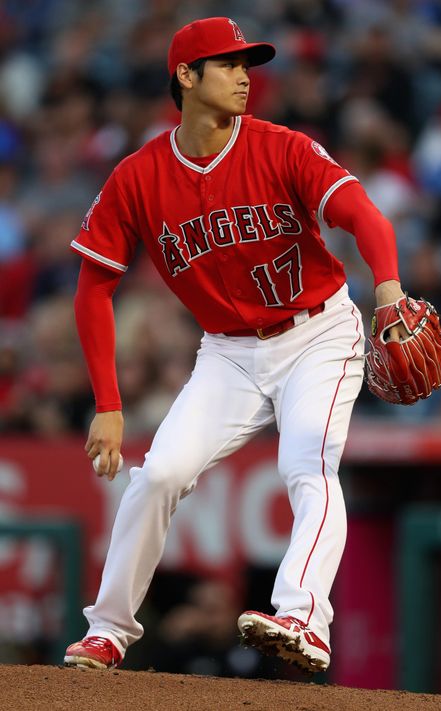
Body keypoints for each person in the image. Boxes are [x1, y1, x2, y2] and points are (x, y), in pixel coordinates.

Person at [64, 16, 406, 674]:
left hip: (319, 334)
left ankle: (304, 616)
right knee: (158, 473)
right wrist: (108, 401)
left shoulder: (282, 147)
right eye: (227, 65)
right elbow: (91, 288)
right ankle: (107, 631)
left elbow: (363, 214)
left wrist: (388, 289)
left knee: (308, 465)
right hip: (228, 352)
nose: (245, 76)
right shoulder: (139, 176)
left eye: (248, 64)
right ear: (186, 78)